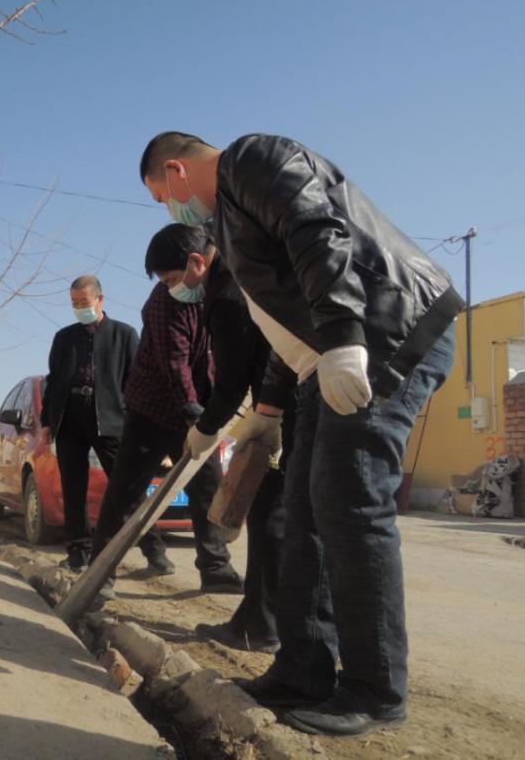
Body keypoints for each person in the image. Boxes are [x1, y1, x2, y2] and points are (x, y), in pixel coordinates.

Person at [139, 132, 459, 737]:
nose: (170, 210)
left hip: (387, 334)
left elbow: (319, 235)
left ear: (176, 171)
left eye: (162, 197)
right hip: (322, 361)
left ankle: (374, 689)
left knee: (351, 506)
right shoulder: (231, 223)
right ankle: (301, 669)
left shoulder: (255, 160)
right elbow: (285, 317)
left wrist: (343, 338)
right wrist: (271, 405)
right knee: (304, 508)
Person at [140, 223, 295, 650]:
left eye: (173, 280)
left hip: (290, 402)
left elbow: (231, 381)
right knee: (272, 514)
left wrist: (204, 430)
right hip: (281, 401)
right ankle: (257, 619)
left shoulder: (225, 296)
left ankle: (265, 627)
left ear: (195, 262)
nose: (174, 291)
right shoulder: (245, 267)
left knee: (274, 517)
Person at [89, 226, 241, 597]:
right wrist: (195, 416)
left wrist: (213, 413)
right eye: (163, 280)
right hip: (151, 413)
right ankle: (100, 573)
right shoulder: (161, 303)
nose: (169, 285)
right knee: (125, 493)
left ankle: (216, 568)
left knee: (208, 491)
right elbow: (175, 364)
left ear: (196, 263)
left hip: (196, 410)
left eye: (171, 277)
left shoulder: (218, 291)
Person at [39, 275, 168, 572]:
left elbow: (138, 382)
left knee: (128, 488)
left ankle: (154, 549)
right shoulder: (64, 338)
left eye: (84, 302)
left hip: (111, 420)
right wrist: (48, 421)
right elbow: (54, 381)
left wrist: (139, 423)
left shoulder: (124, 335)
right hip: (70, 419)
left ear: (100, 299)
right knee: (73, 489)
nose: (79, 308)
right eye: (74, 303)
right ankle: (78, 552)